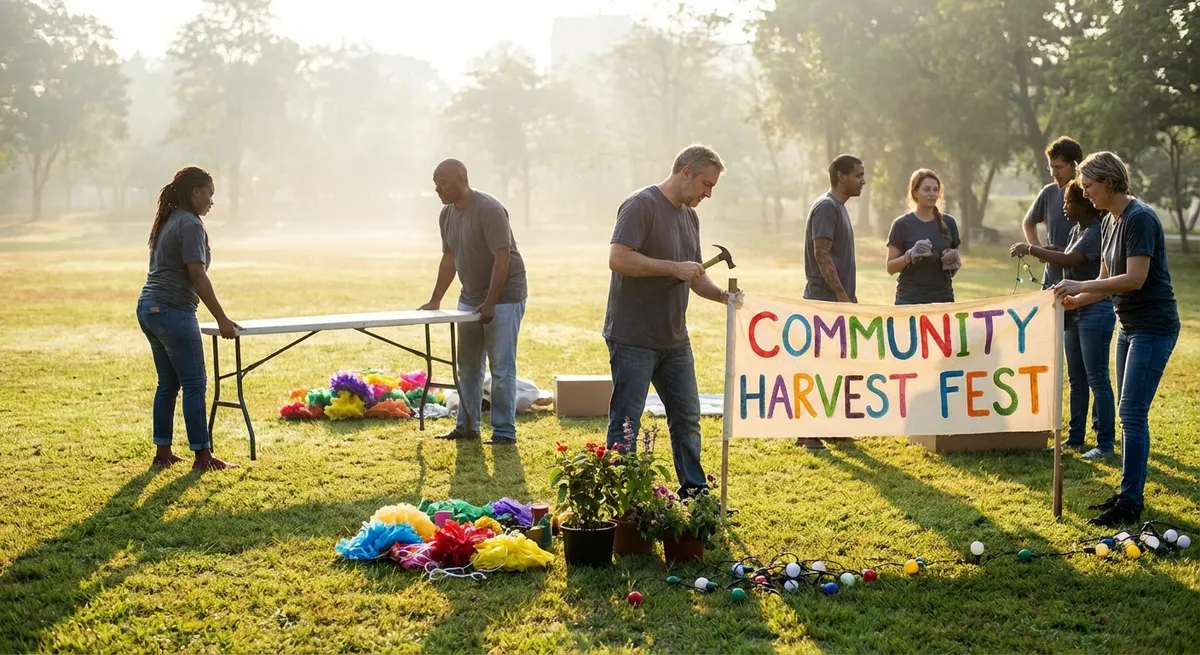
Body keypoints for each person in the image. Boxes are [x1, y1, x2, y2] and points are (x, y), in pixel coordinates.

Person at [604, 144, 738, 497]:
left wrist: (725, 298)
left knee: (688, 418)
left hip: (674, 339)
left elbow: (694, 277)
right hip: (633, 336)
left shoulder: (689, 217)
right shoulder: (641, 205)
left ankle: (694, 491)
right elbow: (618, 259)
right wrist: (672, 267)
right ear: (686, 172)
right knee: (627, 421)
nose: (708, 194)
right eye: (706, 185)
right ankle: (625, 499)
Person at [1054, 152, 1179, 527]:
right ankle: (1129, 492)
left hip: (1153, 326)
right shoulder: (1109, 220)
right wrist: (1079, 299)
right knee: (1131, 416)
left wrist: (1081, 283)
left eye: (1089, 186)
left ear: (1109, 182)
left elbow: (1135, 278)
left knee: (1131, 413)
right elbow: (1108, 278)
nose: (1085, 193)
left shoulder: (1140, 218)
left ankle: (1129, 502)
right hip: (1127, 325)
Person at [136, 166, 240, 471]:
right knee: (195, 383)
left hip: (149, 308)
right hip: (172, 311)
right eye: (209, 193)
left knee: (168, 384)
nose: (211, 201)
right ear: (195, 192)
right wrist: (222, 318)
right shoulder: (190, 224)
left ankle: (163, 452)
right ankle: (203, 457)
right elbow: (196, 273)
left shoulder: (168, 221)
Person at [420, 159, 528, 445]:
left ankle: (504, 432)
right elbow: (449, 258)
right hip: (469, 296)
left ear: (462, 177)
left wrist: (491, 302)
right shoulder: (446, 215)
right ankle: (467, 426)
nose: (437, 189)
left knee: (502, 367)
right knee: (467, 365)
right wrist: (435, 299)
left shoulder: (489, 210)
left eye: (442, 182)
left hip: (504, 296)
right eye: (435, 183)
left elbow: (502, 258)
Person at [1012, 180, 1115, 459]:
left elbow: (1071, 260)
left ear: (1083, 203)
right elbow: (1063, 252)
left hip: (1094, 309)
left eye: (1068, 202)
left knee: (1097, 378)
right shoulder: (1079, 229)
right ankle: (1076, 438)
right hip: (1072, 308)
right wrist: (1045, 249)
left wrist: (1031, 249)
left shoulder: (1095, 231)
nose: (1063, 207)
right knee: (1076, 378)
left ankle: (1105, 443)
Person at [797, 154, 865, 449]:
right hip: (822, 302)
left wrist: (850, 296)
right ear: (841, 176)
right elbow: (821, 254)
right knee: (818, 368)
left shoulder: (839, 208)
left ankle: (833, 426)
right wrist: (839, 294)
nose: (863, 180)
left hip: (839, 301)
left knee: (837, 368)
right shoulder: (826, 207)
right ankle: (806, 432)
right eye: (859, 175)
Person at [885, 168, 962, 305]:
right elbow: (890, 267)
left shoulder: (949, 223)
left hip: (942, 299)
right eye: (926, 189)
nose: (932, 194)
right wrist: (909, 255)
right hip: (909, 300)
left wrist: (953, 262)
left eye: (935, 189)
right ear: (915, 193)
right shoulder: (901, 225)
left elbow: (954, 267)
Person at [1022, 136, 1084, 288]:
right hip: (1053, 277)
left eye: (1059, 167)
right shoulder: (1049, 193)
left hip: (1082, 278)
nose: (1054, 173)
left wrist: (1065, 253)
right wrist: (1039, 250)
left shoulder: (1089, 195)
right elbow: (1028, 222)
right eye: (1051, 167)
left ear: (1074, 165)